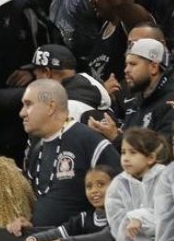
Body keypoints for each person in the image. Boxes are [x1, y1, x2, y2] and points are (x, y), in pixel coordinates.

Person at [21, 79, 120, 228]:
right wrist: (27, 222)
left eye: (28, 104)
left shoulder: (88, 140)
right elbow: (42, 202)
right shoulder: (37, 149)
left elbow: (123, 190)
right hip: (40, 240)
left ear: (50, 107)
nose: (22, 113)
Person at [106, 128, 169, 241]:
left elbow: (168, 215)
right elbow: (118, 223)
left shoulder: (166, 178)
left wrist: (140, 218)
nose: (126, 158)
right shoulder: (118, 184)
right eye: (123, 152)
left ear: (150, 158)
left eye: (133, 152)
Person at [25, 165, 115, 241]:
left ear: (116, 185)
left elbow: (102, 240)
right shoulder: (83, 219)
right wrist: (32, 239)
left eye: (101, 184)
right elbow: (56, 233)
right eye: (89, 186)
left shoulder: (121, 217)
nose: (94, 190)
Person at [118, 39, 174, 136]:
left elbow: (164, 148)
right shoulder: (136, 101)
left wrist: (116, 139)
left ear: (154, 67)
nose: (126, 70)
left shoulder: (172, 103)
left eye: (133, 64)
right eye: (126, 64)